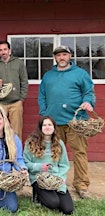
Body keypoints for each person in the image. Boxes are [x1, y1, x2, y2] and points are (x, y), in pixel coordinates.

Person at [38, 45, 96, 199]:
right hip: (54, 123)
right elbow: (41, 95)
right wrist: (44, 113)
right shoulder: (48, 76)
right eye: (58, 55)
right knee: (54, 154)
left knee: (79, 153)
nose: (61, 58)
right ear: (55, 58)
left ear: (70, 56)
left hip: (76, 122)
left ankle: (81, 185)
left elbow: (89, 92)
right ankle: (55, 182)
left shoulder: (80, 74)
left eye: (64, 54)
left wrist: (88, 102)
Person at [23, 116, 74, 215]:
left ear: (54, 127)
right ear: (40, 127)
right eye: (44, 125)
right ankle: (37, 194)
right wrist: (39, 167)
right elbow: (25, 163)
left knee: (68, 209)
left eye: (50, 125)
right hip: (39, 178)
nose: (47, 127)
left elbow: (64, 165)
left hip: (55, 178)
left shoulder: (59, 143)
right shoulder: (31, 142)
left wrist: (60, 178)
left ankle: (53, 193)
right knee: (53, 203)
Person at [0, 40, 29, 140]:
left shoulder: (18, 63)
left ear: (9, 51)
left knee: (16, 130)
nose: (3, 52)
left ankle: (16, 153)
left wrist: (21, 99)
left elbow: (24, 81)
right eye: (0, 50)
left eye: (5, 49)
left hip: (15, 102)